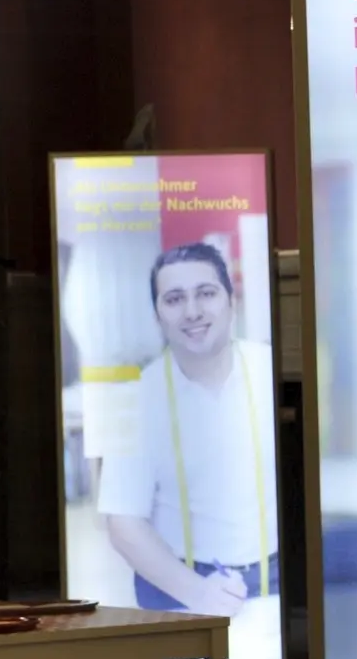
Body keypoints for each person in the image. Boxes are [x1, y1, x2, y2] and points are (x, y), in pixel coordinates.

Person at [96, 242, 279, 617]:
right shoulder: (132, 399)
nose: (192, 312)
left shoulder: (272, 373)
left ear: (232, 300)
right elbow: (123, 523)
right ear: (157, 315)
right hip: (176, 588)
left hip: (278, 578)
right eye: (175, 299)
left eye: (206, 294)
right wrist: (197, 593)